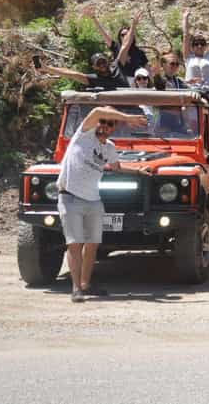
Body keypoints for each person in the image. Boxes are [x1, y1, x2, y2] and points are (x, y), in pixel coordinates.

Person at [56, 107, 151, 302]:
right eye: (104, 122)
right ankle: (76, 289)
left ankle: (85, 285)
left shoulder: (109, 147)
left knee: (92, 244)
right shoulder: (83, 135)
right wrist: (127, 117)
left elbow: (117, 167)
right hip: (70, 196)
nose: (105, 126)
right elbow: (99, 110)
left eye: (110, 124)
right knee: (74, 243)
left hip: (93, 200)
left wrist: (139, 171)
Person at [84, 7, 149, 84]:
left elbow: (147, 69)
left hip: (138, 82)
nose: (125, 36)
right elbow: (103, 34)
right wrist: (94, 18)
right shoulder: (116, 47)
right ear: (119, 37)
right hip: (121, 82)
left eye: (127, 34)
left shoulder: (139, 52)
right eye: (122, 35)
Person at [37, 53, 129, 90]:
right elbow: (73, 74)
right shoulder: (94, 79)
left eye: (103, 61)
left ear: (108, 61)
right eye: (98, 64)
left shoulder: (117, 66)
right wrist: (47, 69)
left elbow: (125, 45)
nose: (102, 65)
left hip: (133, 100)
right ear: (94, 67)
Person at [182, 9, 209, 90]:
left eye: (202, 44)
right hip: (192, 92)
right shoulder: (189, 57)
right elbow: (186, 36)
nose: (199, 46)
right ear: (192, 47)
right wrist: (185, 18)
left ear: (205, 46)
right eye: (196, 44)